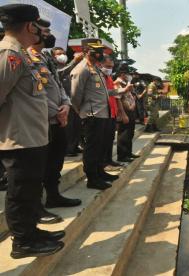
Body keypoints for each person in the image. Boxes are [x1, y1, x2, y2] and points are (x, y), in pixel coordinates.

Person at [0, 3, 65, 258]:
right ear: (30, 26)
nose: (40, 31)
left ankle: (31, 231)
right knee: (20, 192)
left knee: (30, 190)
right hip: (18, 138)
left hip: (32, 137)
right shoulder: (9, 54)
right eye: (38, 25)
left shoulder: (22, 53)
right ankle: (23, 242)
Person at [27, 19, 81, 224]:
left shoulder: (45, 57)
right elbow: (35, 92)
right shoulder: (26, 56)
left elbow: (58, 85)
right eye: (46, 31)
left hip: (58, 117)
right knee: (39, 167)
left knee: (55, 162)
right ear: (33, 31)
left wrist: (65, 105)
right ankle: (37, 208)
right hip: (41, 120)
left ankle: (53, 195)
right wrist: (56, 110)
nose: (50, 34)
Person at [70, 38, 119, 190]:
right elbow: (75, 96)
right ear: (86, 52)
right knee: (92, 148)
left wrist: (120, 91)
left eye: (100, 50)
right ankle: (92, 178)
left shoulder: (96, 68)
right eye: (95, 51)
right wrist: (82, 112)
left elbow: (103, 92)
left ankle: (99, 171)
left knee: (100, 146)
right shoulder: (82, 69)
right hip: (92, 115)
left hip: (102, 114)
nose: (99, 53)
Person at [51, 46, 84, 156]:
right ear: (53, 56)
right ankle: (68, 149)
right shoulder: (54, 68)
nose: (62, 55)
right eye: (59, 53)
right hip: (63, 104)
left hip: (74, 102)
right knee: (68, 128)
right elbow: (61, 72)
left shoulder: (69, 67)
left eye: (63, 53)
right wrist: (74, 61)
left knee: (77, 126)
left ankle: (74, 146)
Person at [101, 55, 124, 167]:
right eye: (108, 66)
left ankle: (108, 159)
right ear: (101, 64)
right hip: (103, 112)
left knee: (110, 138)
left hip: (112, 111)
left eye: (112, 67)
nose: (110, 69)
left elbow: (113, 94)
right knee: (103, 140)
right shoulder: (100, 77)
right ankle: (103, 161)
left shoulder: (109, 77)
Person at [114, 66, 139, 163]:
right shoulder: (117, 84)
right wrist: (123, 114)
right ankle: (122, 155)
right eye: (127, 74)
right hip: (124, 111)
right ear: (122, 74)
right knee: (124, 134)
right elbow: (118, 99)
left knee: (130, 133)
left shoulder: (125, 84)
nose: (129, 76)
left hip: (130, 110)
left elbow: (129, 96)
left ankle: (128, 152)